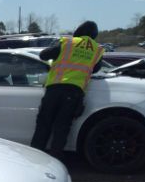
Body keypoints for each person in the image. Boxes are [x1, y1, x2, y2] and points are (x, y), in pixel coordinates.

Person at [30, 21, 103, 159]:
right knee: (62, 128)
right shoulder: (97, 49)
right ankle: (55, 160)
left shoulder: (67, 42)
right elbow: (96, 69)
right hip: (74, 93)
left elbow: (43, 55)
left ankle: (35, 158)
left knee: (44, 125)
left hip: (55, 89)